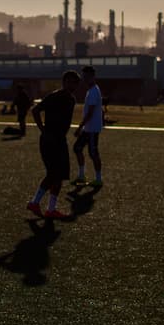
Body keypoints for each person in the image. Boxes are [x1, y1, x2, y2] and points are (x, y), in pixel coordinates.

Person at [27, 71, 81, 219]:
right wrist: (43, 130)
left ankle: (51, 209)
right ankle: (35, 202)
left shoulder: (71, 99)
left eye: (75, 82)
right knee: (53, 174)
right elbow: (35, 110)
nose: (72, 85)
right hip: (50, 140)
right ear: (64, 82)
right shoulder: (55, 96)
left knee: (60, 175)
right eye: (69, 82)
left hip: (60, 140)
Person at [73, 65, 104, 186]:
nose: (85, 79)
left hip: (92, 129)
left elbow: (90, 113)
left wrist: (80, 127)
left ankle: (98, 179)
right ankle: (81, 176)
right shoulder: (91, 90)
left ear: (92, 77)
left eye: (87, 77)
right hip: (88, 128)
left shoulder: (94, 91)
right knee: (77, 148)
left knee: (93, 153)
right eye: (84, 77)